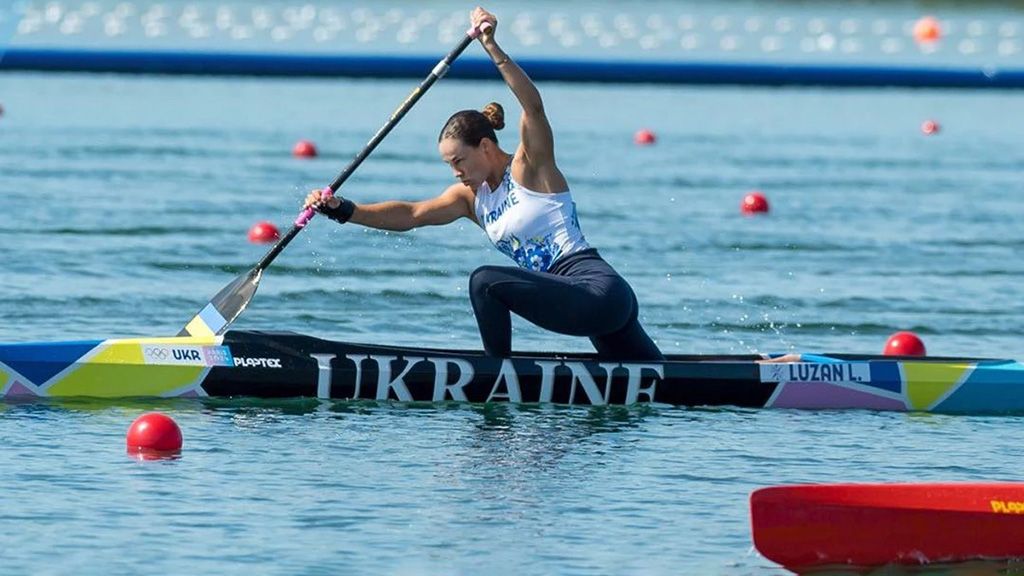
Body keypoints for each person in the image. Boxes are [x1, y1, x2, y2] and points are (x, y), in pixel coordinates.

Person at [304, 7, 663, 362]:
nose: (455, 172)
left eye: (459, 161)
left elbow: (533, 109)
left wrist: (492, 47)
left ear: (486, 147)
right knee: (668, 385)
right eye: (449, 164)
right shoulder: (470, 199)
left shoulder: (530, 168)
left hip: (598, 292)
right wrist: (342, 210)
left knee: (484, 281)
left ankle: (496, 374)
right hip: (582, 304)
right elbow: (411, 214)